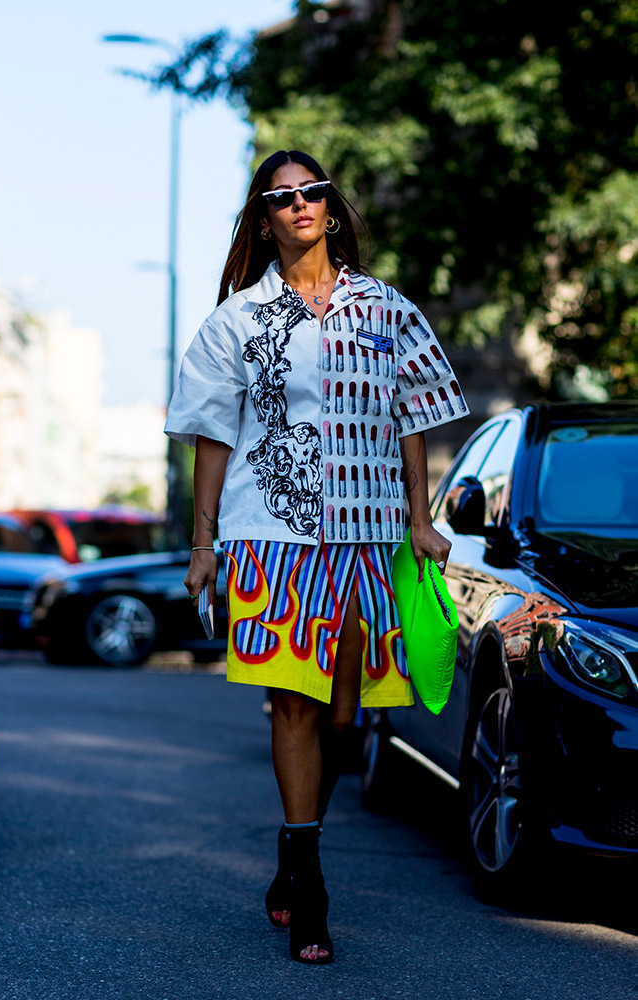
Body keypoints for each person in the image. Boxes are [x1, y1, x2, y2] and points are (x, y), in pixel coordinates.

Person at [165, 149, 468, 964]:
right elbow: (211, 434)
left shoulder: (387, 308)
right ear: (262, 221)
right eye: (280, 197)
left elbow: (412, 419)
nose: (299, 204)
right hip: (272, 534)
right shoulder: (237, 319)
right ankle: (310, 886)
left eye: (311, 192)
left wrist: (420, 519)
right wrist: (203, 544)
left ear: (330, 209)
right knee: (292, 706)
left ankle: (289, 845)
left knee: (344, 713)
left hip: (367, 537)